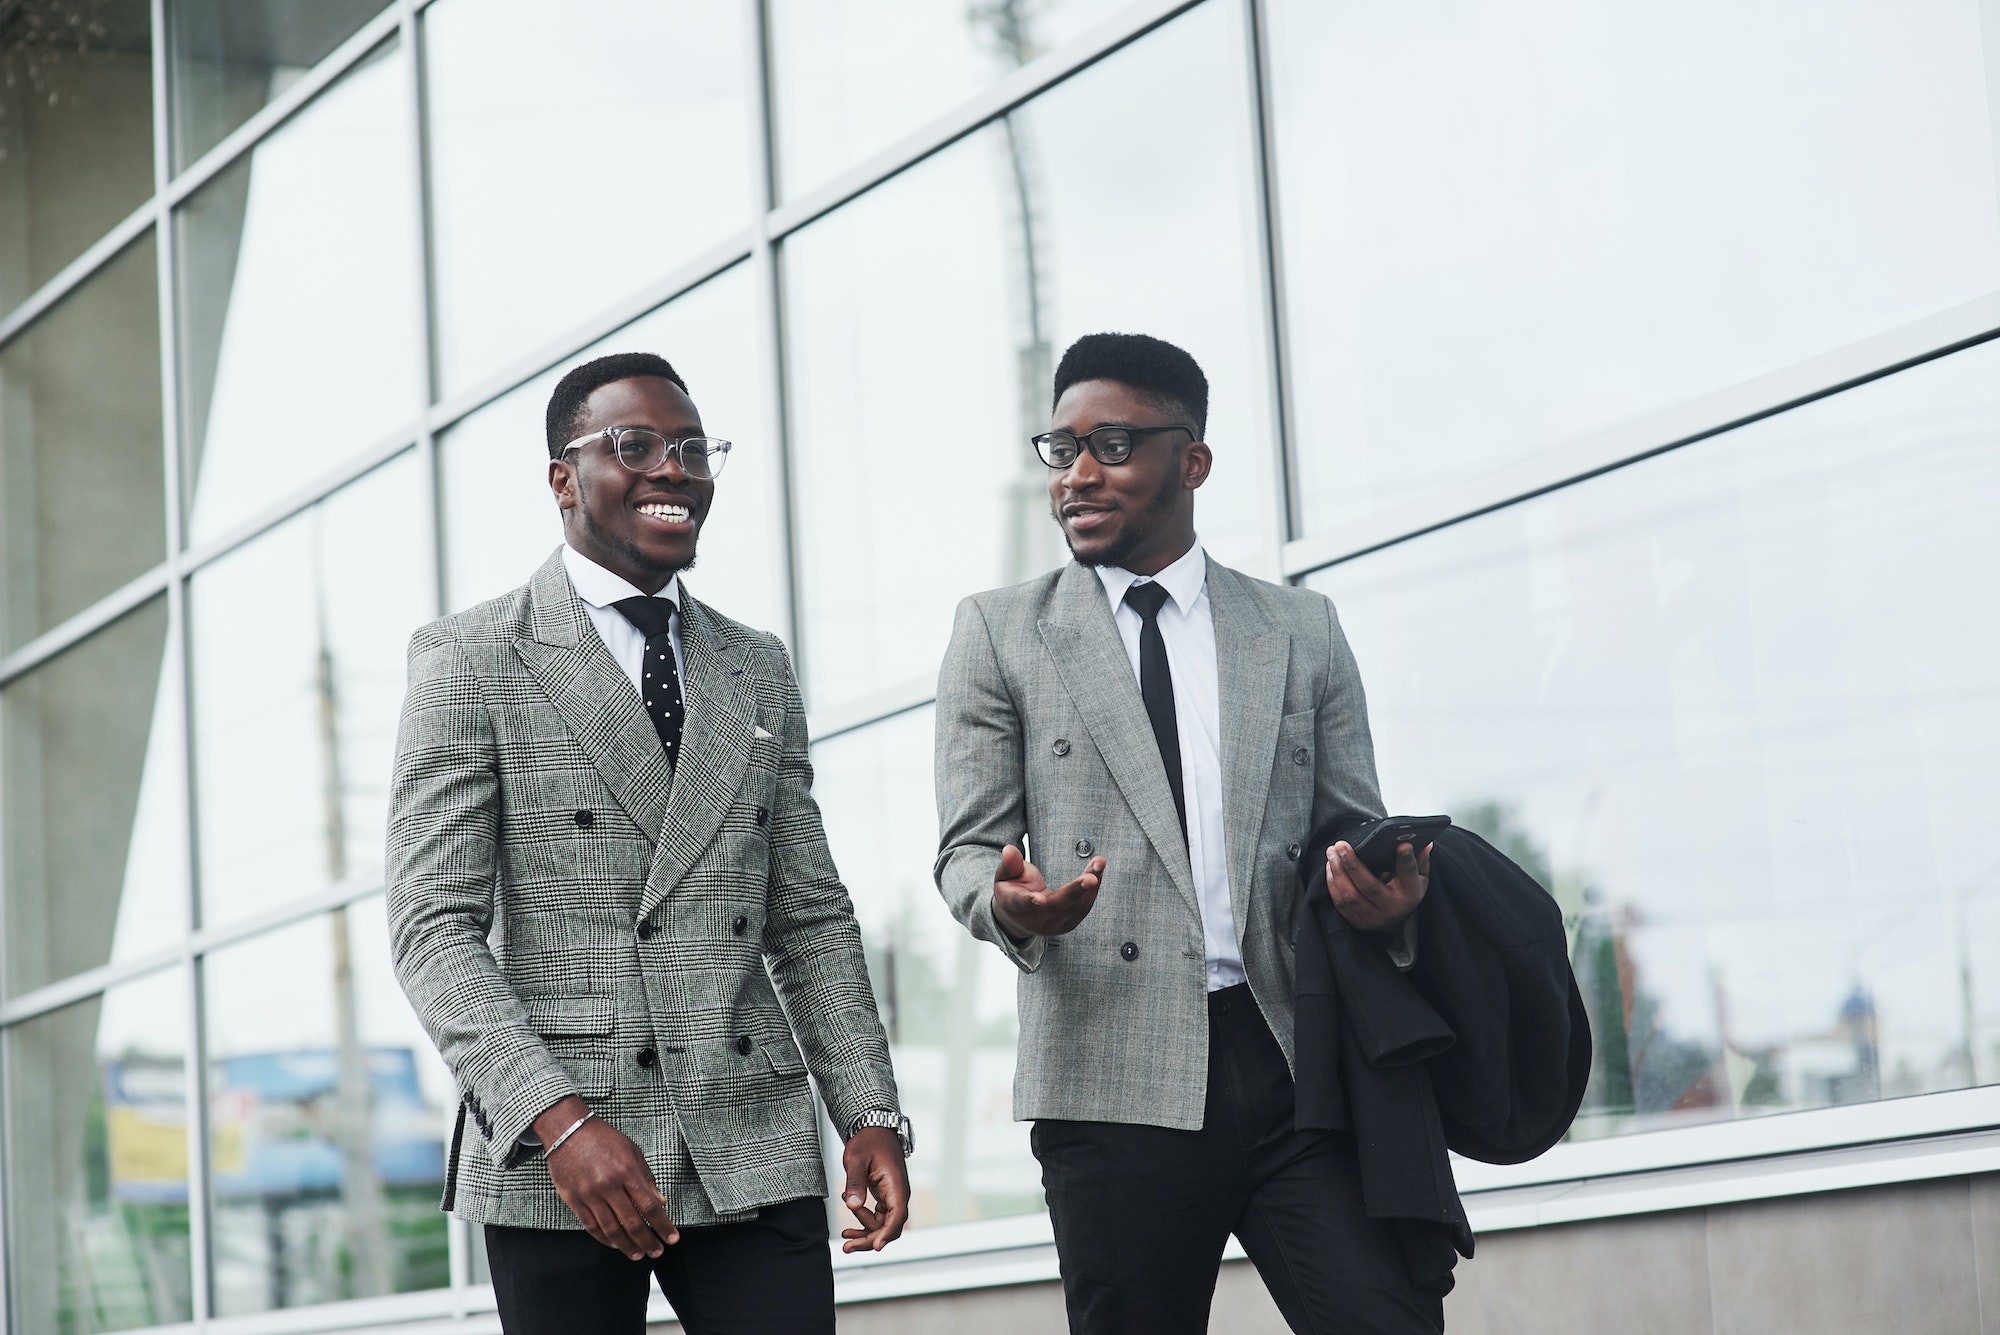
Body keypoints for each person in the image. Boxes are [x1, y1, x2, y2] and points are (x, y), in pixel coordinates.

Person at [388, 352, 911, 1335]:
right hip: (566, 1153)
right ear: (562, 479)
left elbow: (806, 916)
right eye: (633, 446)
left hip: (748, 1130)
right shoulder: (471, 660)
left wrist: (870, 1111)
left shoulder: (753, 666)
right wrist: (561, 1123)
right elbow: (433, 934)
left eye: (690, 448)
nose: (673, 469)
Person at [933, 332, 1440, 1333]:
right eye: (1060, 448)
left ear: (1190, 460)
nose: (1076, 474)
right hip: (1110, 1076)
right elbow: (962, 852)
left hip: (1292, 1060)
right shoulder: (998, 633)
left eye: (1110, 445)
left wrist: (1390, 906)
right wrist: (1012, 905)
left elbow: (1352, 827)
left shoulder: (1300, 630)